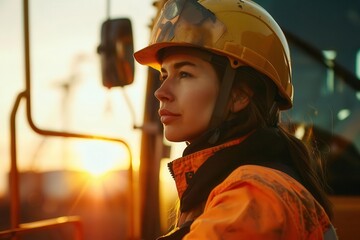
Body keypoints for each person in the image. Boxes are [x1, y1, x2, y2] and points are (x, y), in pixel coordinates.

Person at [134, 0, 338, 239]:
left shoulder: (252, 197)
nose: (161, 93)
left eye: (185, 74)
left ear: (239, 95)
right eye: (164, 75)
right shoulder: (228, 185)